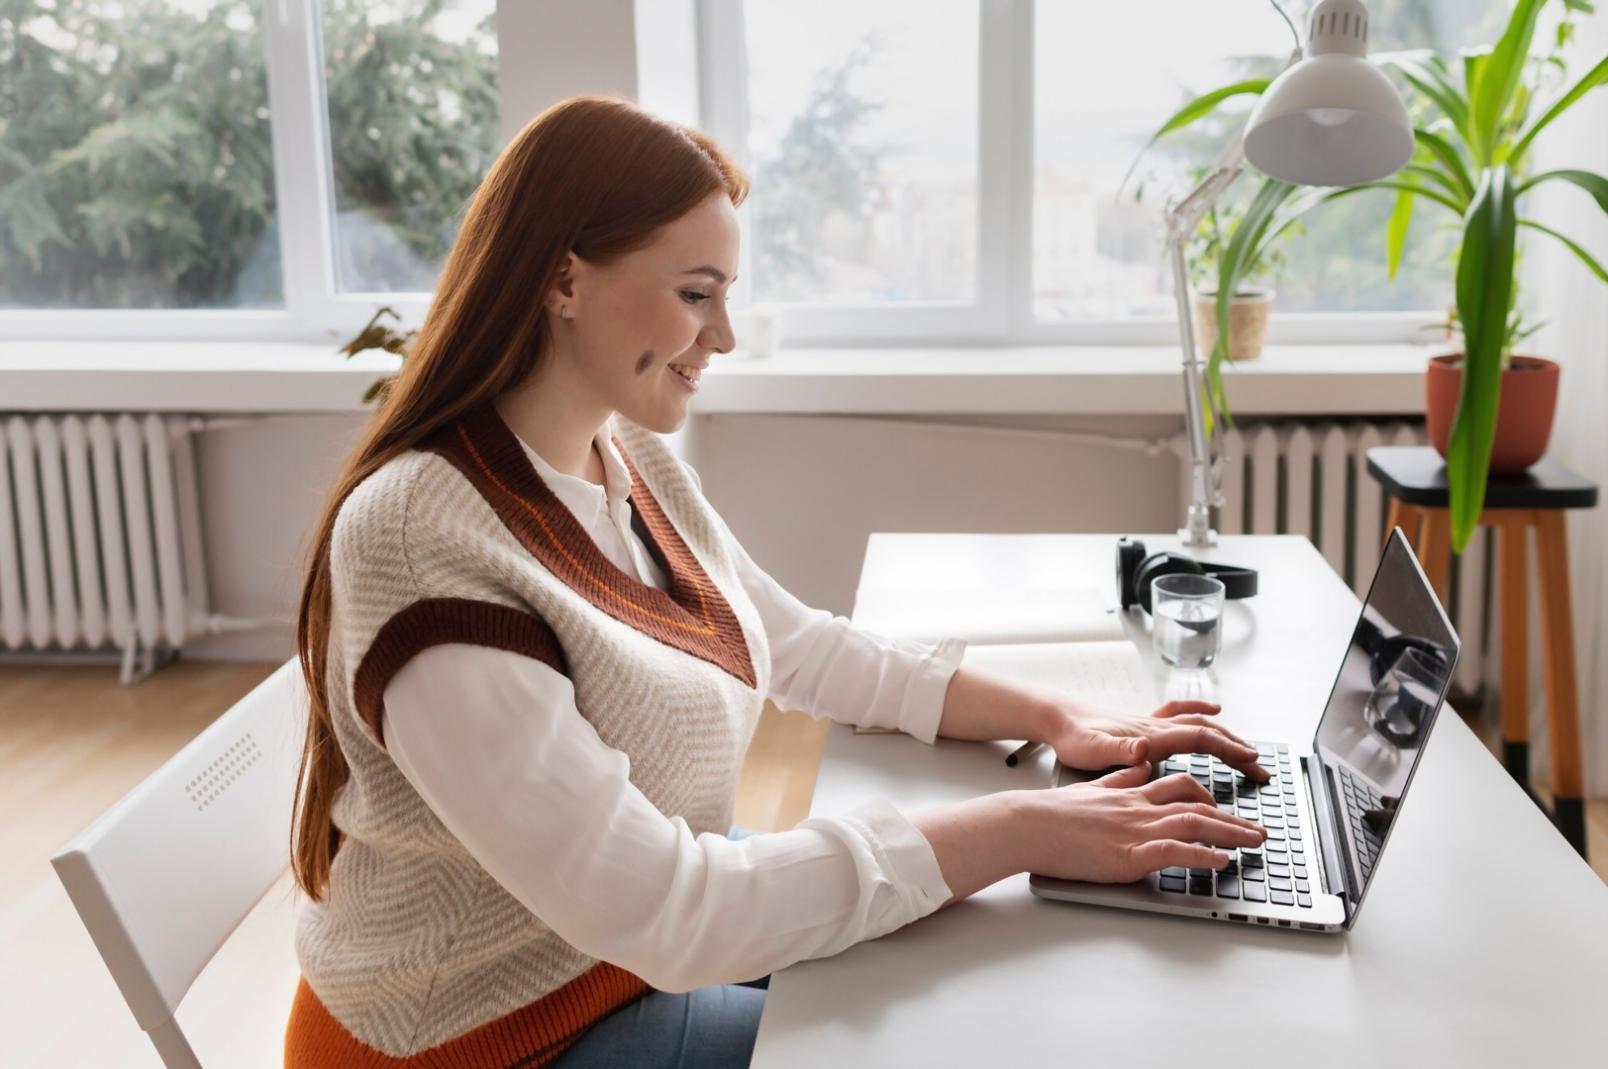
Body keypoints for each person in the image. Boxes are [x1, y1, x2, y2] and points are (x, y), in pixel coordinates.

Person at [282, 94, 1269, 1069]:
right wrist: (1023, 824)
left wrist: (1056, 717)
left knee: (987, 950)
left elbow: (792, 644)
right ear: (563, 280)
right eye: (696, 293)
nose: (724, 339)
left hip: (622, 948)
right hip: (489, 1035)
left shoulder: (622, 457)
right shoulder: (423, 546)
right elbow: (679, 916)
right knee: (948, 1030)